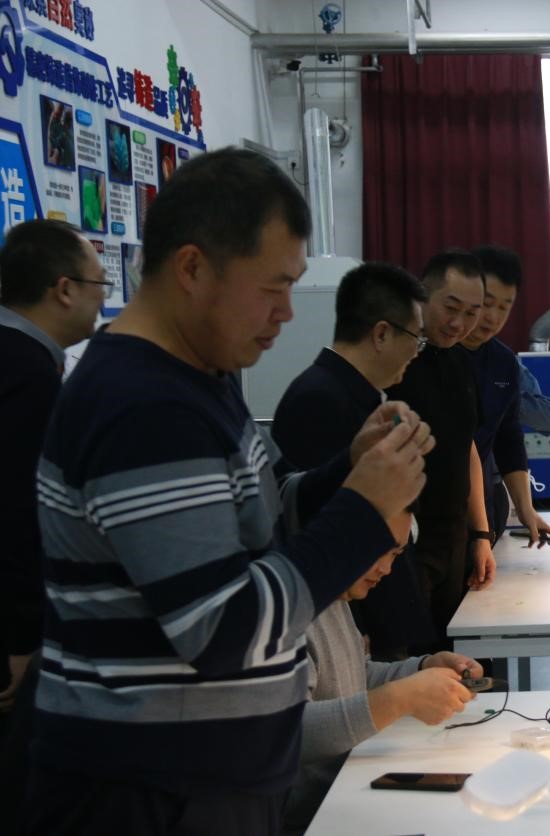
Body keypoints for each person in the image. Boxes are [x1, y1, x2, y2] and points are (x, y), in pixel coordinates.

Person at [25, 147, 434, 835]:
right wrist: (363, 510)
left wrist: (347, 471)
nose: (286, 313)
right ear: (192, 268)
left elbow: (257, 526)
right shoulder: (144, 406)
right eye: (273, 287)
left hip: (200, 785)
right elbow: (222, 628)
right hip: (150, 795)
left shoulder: (196, 380)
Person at [0, 220, 107, 826]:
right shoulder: (27, 373)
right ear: (64, 289)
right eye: (99, 284)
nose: (103, 298)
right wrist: (21, 641)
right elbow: (19, 514)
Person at [272, 261, 433, 660]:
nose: (418, 352)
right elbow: (318, 522)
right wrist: (353, 625)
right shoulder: (318, 398)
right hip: (357, 619)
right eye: (416, 338)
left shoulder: (358, 394)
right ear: (381, 333)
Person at [284, 512, 479, 832]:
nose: (387, 569)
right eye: (381, 552)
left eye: (396, 555)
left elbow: (353, 677)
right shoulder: (289, 613)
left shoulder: (334, 597)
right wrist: (400, 698)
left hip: (351, 787)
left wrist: (422, 667)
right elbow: (291, 733)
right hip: (315, 816)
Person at [387, 249, 495, 650]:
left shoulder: (460, 363)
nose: (459, 323)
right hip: (407, 543)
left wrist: (480, 534)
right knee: (411, 655)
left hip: (454, 539)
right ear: (422, 296)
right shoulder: (396, 363)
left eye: (471, 313)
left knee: (457, 654)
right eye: (451, 308)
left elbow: (467, 450)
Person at [463, 244, 550, 545]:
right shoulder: (436, 353)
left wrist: (525, 508)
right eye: (486, 303)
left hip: (486, 497)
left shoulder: (504, 361)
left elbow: (508, 436)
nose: (493, 317)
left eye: (504, 307)